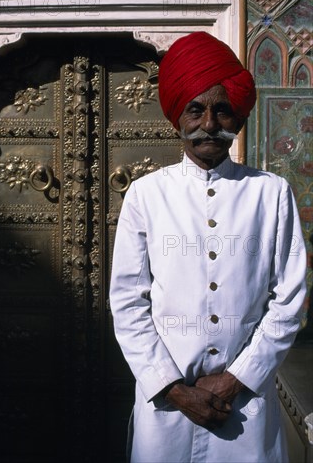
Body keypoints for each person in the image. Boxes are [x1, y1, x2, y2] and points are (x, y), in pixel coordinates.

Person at [109, 32, 307, 463]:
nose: (210, 124)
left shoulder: (271, 193)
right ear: (176, 117)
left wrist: (238, 377)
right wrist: (174, 389)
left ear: (237, 117)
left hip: (245, 406)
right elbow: (127, 302)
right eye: (195, 110)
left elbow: (289, 300)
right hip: (166, 405)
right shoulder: (146, 196)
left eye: (222, 110)